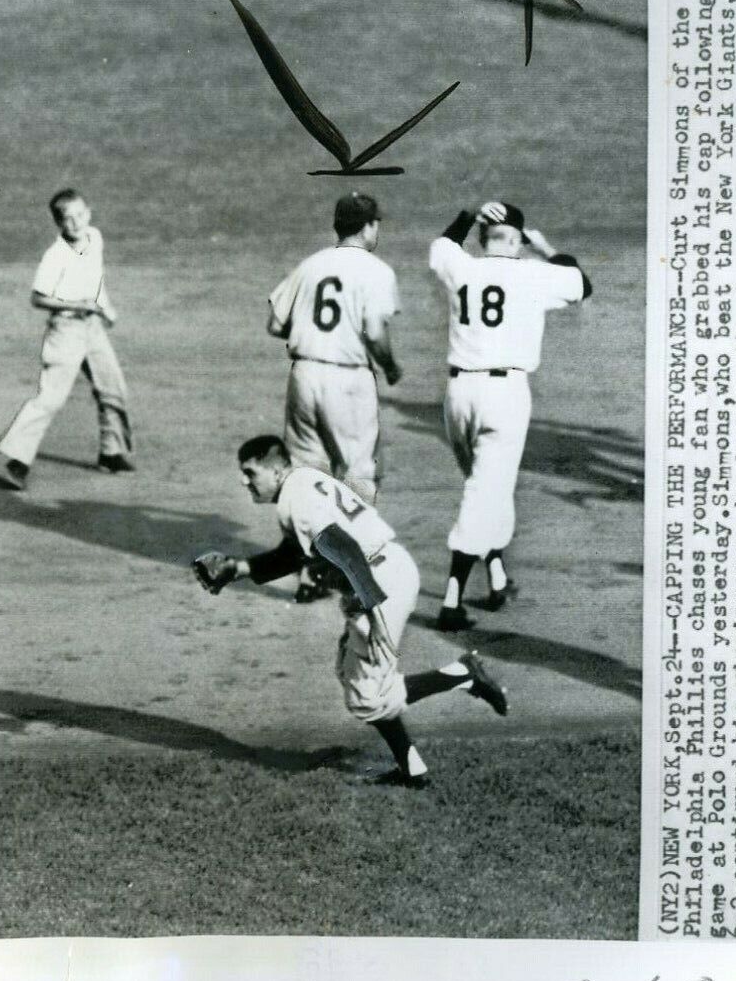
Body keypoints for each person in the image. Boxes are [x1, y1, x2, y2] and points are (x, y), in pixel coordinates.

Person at [192, 435, 509, 788]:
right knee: (355, 678)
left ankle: (461, 675)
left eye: (250, 473)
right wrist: (239, 568)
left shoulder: (296, 503)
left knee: (366, 697)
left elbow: (346, 552)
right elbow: (295, 552)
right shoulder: (303, 483)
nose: (244, 481)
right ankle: (412, 768)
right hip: (385, 571)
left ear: (277, 469)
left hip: (379, 582)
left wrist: (372, 611)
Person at [428, 201, 591, 632]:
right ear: (517, 241)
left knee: (485, 486)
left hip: (458, 394)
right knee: (486, 490)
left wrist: (468, 214)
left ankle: (497, 578)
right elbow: (582, 284)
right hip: (505, 396)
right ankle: (451, 600)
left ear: (484, 239)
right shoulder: (533, 272)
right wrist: (545, 246)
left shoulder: (461, 266)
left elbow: (442, 245)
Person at [266, 191, 402, 602]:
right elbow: (376, 333)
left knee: (305, 476)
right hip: (348, 380)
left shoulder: (311, 265)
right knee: (357, 473)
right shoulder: (376, 270)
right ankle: (354, 575)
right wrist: (391, 367)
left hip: (303, 375)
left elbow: (275, 323)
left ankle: (309, 574)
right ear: (370, 226)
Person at [0, 188, 133, 490]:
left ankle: (110, 453)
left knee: (113, 389)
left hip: (93, 327)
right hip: (66, 330)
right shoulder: (54, 256)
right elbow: (38, 298)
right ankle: (17, 461)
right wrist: (76, 305)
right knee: (51, 399)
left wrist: (104, 306)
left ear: (89, 213)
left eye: (80, 215)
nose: (75, 223)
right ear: (58, 223)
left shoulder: (95, 238)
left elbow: (94, 278)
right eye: (66, 219)